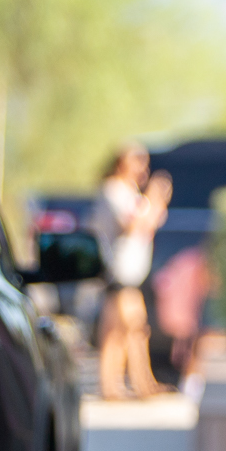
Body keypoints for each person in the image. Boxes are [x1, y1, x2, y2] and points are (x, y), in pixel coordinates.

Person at [89, 145, 170, 400]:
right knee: (131, 327)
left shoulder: (130, 192)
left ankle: (125, 384)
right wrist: (154, 199)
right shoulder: (113, 191)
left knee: (121, 331)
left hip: (131, 272)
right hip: (118, 271)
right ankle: (131, 384)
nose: (143, 169)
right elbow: (131, 225)